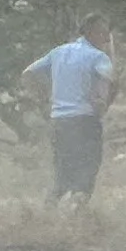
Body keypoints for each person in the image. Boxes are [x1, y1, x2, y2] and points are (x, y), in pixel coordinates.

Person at [27, 16, 119, 205]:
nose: (107, 40)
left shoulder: (58, 52)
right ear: (91, 32)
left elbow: (28, 73)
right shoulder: (98, 57)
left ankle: (45, 217)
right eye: (104, 34)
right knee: (86, 174)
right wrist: (103, 103)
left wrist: (42, 100)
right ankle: (78, 218)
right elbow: (110, 80)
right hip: (85, 122)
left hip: (59, 122)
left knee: (62, 175)